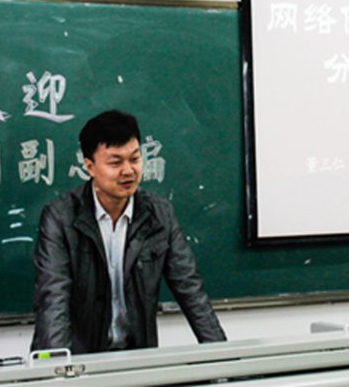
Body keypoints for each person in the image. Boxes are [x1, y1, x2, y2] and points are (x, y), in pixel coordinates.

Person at [31, 109, 226, 353]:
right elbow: (53, 299)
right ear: (90, 167)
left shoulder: (159, 215)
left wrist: (223, 356)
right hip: (79, 359)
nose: (128, 170)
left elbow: (190, 289)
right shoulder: (60, 217)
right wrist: (58, 366)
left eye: (134, 159)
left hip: (135, 356)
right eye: (115, 162)